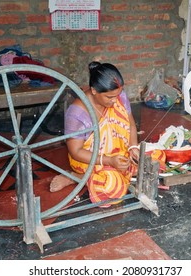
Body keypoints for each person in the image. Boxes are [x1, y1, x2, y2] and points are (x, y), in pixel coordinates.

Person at [49, 61, 139, 207]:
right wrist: (109, 161)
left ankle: (99, 174)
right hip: (88, 159)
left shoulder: (118, 96)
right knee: (110, 186)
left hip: (118, 153)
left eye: (117, 95)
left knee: (153, 157)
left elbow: (131, 125)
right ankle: (76, 176)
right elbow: (76, 151)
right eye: (110, 97)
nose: (115, 100)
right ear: (94, 90)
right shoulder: (77, 113)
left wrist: (133, 148)